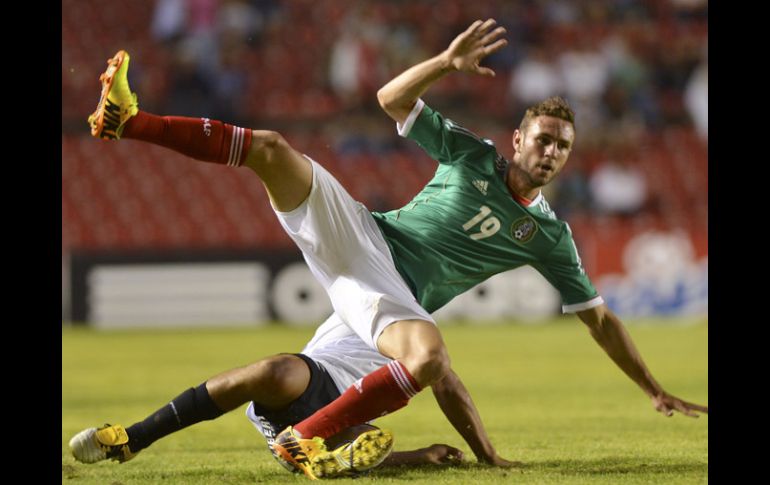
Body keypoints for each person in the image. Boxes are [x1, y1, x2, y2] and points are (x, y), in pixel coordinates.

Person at [73, 17, 707, 480]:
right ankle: (128, 121)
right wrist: (444, 64)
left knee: (417, 356)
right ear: (518, 138)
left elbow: (599, 319)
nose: (550, 152)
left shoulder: (549, 236)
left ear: (569, 157)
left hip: (382, 304)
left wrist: (652, 388)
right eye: (542, 139)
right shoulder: (471, 153)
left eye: (562, 146)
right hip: (364, 237)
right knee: (270, 148)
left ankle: (304, 440)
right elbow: (390, 99)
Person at [69, 312, 485, 478]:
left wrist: (484, 456)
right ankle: (132, 438)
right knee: (275, 370)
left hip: (350, 408)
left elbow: (445, 378)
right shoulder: (363, 294)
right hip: (313, 377)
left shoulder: (421, 325)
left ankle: (310, 454)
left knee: (365, 441)